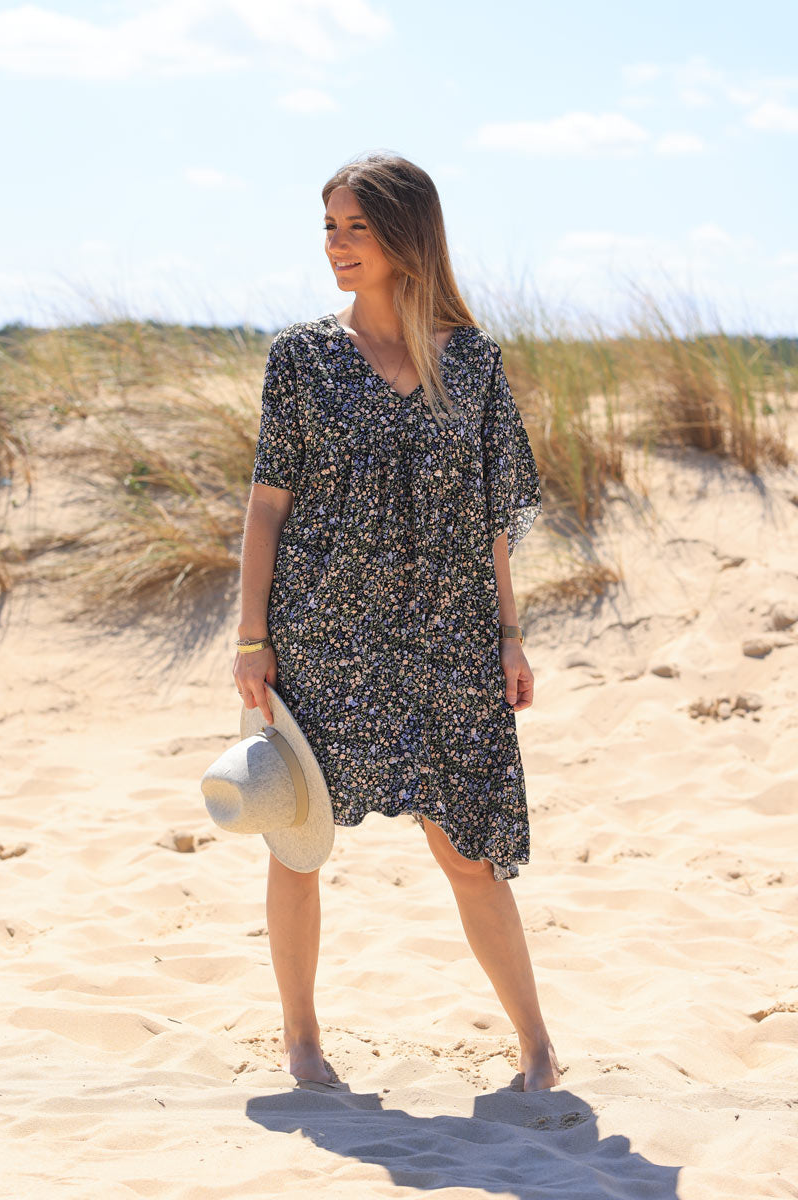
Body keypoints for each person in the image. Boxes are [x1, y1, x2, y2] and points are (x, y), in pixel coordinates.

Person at [233, 152, 560, 1093]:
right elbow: (267, 505)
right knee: (298, 837)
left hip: (450, 637)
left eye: (356, 228)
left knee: (469, 852)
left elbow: (492, 517)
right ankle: (302, 1041)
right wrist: (252, 639)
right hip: (326, 634)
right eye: (329, 228)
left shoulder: (474, 361)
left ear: (407, 237)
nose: (336, 245)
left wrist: (509, 635)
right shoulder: (302, 358)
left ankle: (536, 1046)